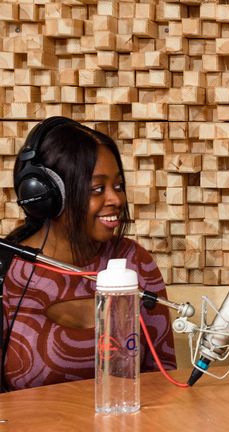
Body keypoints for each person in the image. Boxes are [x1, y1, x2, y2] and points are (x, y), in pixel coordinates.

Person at [0, 117, 176, 391]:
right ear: (48, 195)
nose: (116, 200)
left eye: (118, 186)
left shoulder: (135, 262)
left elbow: (162, 378)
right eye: (97, 189)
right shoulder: (7, 272)